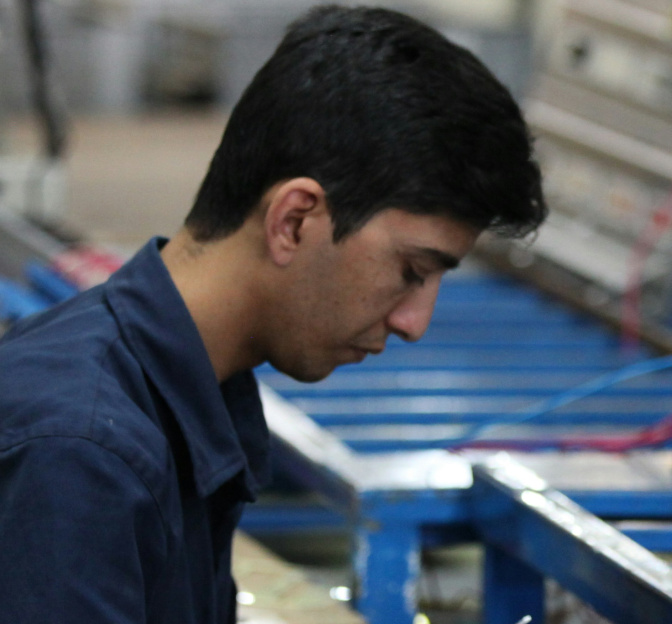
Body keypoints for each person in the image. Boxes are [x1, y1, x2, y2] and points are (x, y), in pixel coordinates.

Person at [0, 5, 545, 623]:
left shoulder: (184, 391)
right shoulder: (82, 455)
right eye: (412, 271)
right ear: (294, 221)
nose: (413, 322)